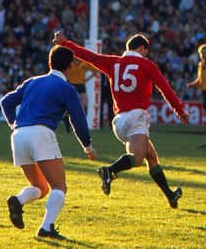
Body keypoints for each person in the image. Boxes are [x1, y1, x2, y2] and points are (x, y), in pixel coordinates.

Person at [53, 31, 189, 209]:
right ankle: (109, 171)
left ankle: (170, 195)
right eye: (145, 51)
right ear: (141, 48)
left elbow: (88, 56)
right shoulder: (147, 65)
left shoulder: (113, 63)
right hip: (136, 117)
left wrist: (66, 43)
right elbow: (165, 88)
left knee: (151, 156)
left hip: (119, 122)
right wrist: (180, 110)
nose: (145, 54)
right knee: (138, 159)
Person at [0, 45, 96, 239]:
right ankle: (47, 228)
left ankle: (18, 200)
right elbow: (77, 119)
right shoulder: (66, 88)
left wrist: (14, 123)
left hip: (18, 135)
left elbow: (6, 102)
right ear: (70, 66)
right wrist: (87, 145)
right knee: (59, 187)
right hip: (40, 134)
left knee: (41, 188)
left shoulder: (32, 82)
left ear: (50, 62)